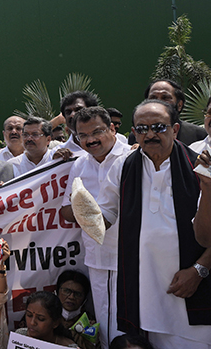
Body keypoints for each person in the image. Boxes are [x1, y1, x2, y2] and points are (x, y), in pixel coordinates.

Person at [98, 99, 211, 349]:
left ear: (175, 129)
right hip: (145, 293)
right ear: (133, 132)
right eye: (141, 129)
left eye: (159, 127)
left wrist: (199, 270)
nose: (150, 134)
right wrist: (85, 211)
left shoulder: (201, 167)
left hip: (192, 292)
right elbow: (105, 212)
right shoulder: (124, 165)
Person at [60, 107, 130, 349]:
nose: (90, 140)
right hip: (98, 258)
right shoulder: (79, 165)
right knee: (106, 325)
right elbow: (64, 211)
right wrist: (83, 208)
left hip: (132, 258)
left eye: (97, 131)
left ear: (112, 128)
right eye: (82, 135)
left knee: (133, 326)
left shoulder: (132, 158)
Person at [137, 79, 206, 145]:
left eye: (165, 98)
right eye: (153, 98)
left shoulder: (199, 135)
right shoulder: (138, 135)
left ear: (179, 105)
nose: (158, 102)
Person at [56, 270, 98, 349]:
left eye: (78, 294)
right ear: (57, 292)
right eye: (66, 291)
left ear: (84, 299)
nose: (71, 297)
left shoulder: (90, 323)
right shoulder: (48, 315)